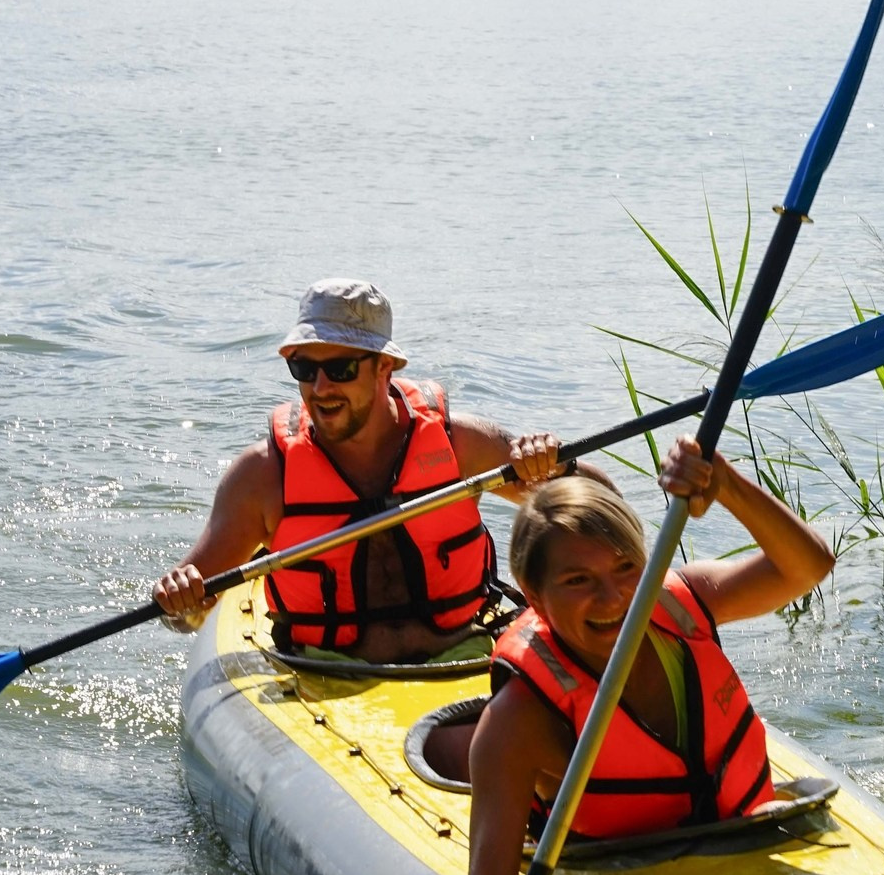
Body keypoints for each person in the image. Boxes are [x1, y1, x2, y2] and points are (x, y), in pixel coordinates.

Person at [457, 436, 836, 875]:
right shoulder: (519, 719)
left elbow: (808, 566)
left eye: (626, 567)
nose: (613, 599)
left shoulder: (683, 602)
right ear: (533, 594)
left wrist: (725, 484)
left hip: (747, 844)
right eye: (577, 581)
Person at [152, 280, 605, 664]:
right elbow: (185, 620)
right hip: (324, 671)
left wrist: (554, 464)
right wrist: (182, 599)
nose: (320, 387)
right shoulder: (263, 476)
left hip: (463, 653)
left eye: (340, 368)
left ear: (385, 367)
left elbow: (605, 509)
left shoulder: (459, 443)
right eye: (304, 368)